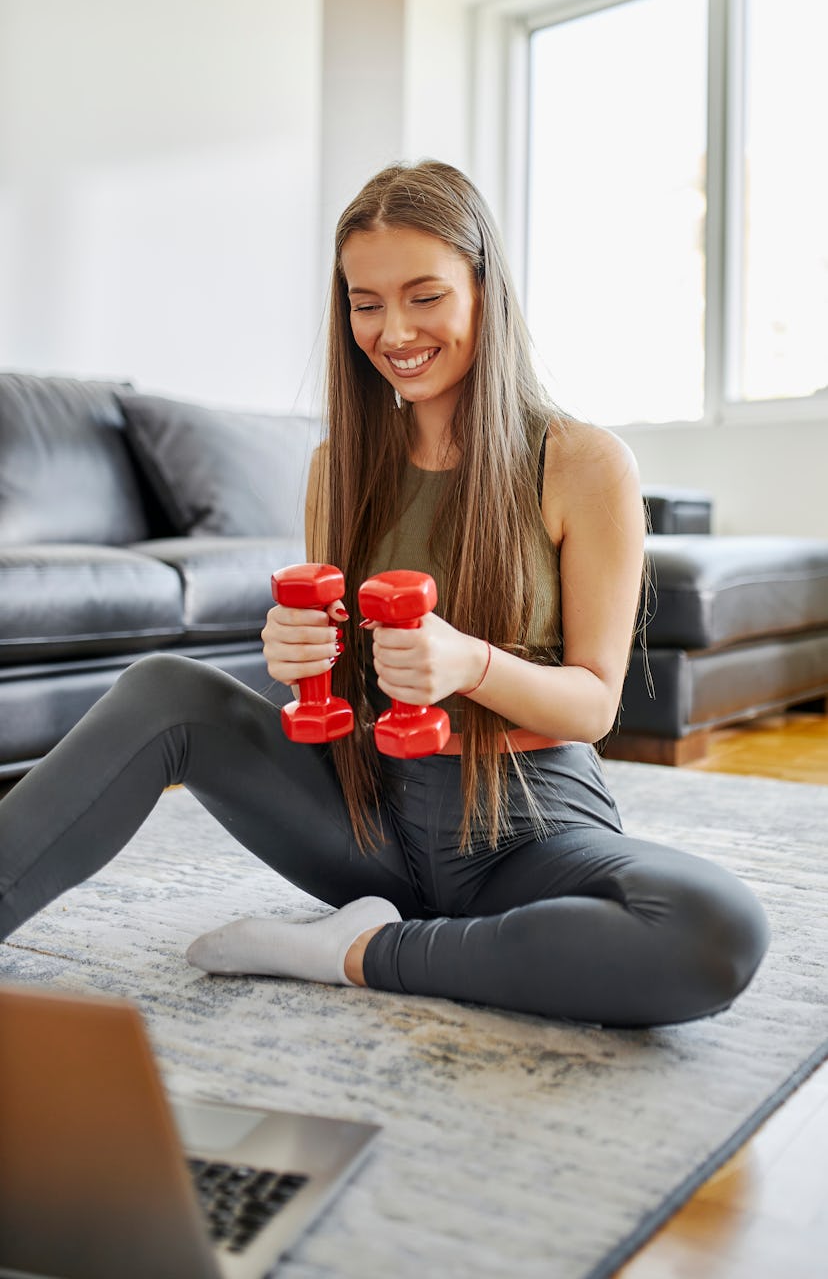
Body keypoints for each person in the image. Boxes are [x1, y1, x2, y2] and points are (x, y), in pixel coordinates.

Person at [0, 161, 769, 1027]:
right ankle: (433, 941)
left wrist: (468, 661)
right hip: (367, 825)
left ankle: (352, 953)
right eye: (366, 303)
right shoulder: (339, 468)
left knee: (714, 930)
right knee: (163, 689)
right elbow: (338, 686)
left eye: (424, 296)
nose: (393, 329)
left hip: (525, 825)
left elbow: (593, 704)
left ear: (484, 290)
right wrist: (299, 659)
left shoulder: (582, 462)